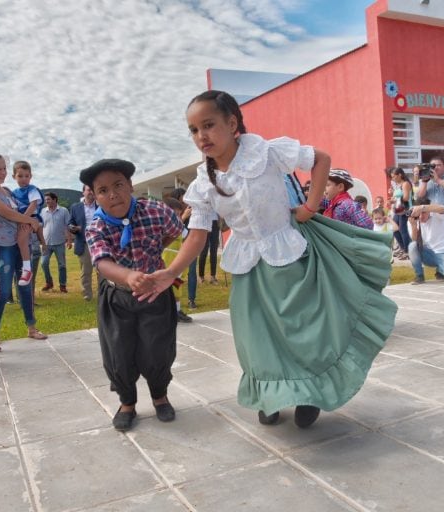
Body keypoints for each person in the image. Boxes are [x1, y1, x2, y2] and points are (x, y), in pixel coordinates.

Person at [138, 90, 397, 428]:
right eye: (193, 130)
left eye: (209, 125)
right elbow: (198, 234)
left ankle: (308, 394)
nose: (201, 136)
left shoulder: (267, 151)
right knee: (256, 339)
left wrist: (309, 206)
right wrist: (171, 271)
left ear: (232, 124)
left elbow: (321, 159)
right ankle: (270, 395)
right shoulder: (204, 183)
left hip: (290, 256)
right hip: (247, 267)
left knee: (301, 331)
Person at [81, 158, 183, 432]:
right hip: (117, 297)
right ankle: (127, 402)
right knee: (118, 352)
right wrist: (127, 276)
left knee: (157, 349)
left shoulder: (156, 211)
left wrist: (156, 255)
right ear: (94, 195)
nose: (112, 194)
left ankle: (160, 396)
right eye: (102, 190)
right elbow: (102, 262)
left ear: (130, 185)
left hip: (155, 294)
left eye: (118, 185)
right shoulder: (96, 226)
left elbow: (175, 231)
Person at [0, 153, 47, 344]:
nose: (2, 173)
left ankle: (32, 327)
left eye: (4, 169)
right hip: (3, 246)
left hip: (21, 244)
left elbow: (20, 210)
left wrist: (28, 223)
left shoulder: (8, 191)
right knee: (3, 290)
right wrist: (31, 220)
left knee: (25, 287)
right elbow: (8, 213)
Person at [11, 160, 45, 286]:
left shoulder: (32, 189)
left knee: (21, 240)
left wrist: (23, 219)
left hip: (30, 217)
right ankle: (23, 266)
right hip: (21, 218)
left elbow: (33, 204)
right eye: (20, 176)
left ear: (31, 176)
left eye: (27, 176)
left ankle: (27, 268)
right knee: (20, 241)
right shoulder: (14, 193)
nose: (24, 179)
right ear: (14, 176)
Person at [406, 199, 444, 284]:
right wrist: (414, 226)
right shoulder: (412, 220)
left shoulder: (436, 214)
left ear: (429, 210)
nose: (421, 216)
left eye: (424, 212)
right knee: (412, 246)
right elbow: (414, 241)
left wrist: (422, 208)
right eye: (419, 213)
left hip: (443, 252)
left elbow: (443, 209)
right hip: (427, 254)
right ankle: (419, 276)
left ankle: (440, 271)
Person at [163, 197, 194, 323]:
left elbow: (189, 238)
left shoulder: (181, 227)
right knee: (165, 290)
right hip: (165, 264)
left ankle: (177, 311)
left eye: (178, 214)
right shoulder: (162, 226)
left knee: (177, 288)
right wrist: (183, 218)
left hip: (178, 264)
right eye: (174, 214)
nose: (177, 217)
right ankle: (166, 313)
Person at [170, 188, 198, 309]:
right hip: (171, 258)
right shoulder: (171, 218)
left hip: (188, 250)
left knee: (188, 275)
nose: (185, 205)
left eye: (186, 201)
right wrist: (184, 217)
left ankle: (190, 301)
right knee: (172, 284)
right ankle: (175, 309)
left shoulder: (193, 213)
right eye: (181, 202)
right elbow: (171, 231)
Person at [68, 186, 97, 300]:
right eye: (88, 190)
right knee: (86, 270)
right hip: (84, 242)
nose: (91, 192)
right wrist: (73, 228)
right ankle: (87, 294)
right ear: (83, 192)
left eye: (92, 190)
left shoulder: (101, 206)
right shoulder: (75, 207)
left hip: (100, 242)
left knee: (103, 270)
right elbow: (70, 223)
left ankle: (103, 293)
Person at [41, 191, 71, 293]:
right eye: (45, 200)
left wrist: (69, 240)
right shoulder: (42, 212)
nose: (46, 202)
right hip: (46, 243)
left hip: (59, 243)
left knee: (62, 265)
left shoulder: (64, 211)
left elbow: (67, 226)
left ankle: (62, 285)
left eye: (48, 199)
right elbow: (41, 227)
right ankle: (49, 282)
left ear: (54, 199)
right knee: (43, 263)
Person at [389, 167, 413, 255]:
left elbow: (406, 198)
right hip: (398, 210)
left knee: (403, 230)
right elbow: (397, 197)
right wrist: (392, 197)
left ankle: (407, 250)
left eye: (394, 176)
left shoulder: (405, 184)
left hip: (405, 210)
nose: (393, 179)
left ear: (400, 175)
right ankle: (403, 248)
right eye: (391, 177)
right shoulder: (398, 185)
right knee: (394, 229)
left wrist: (395, 200)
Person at [198, 211, 220, 284]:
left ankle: (213, 277)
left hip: (215, 223)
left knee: (214, 251)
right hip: (205, 221)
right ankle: (201, 276)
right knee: (203, 251)